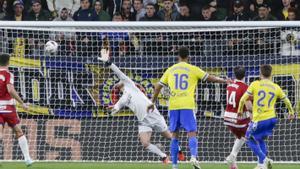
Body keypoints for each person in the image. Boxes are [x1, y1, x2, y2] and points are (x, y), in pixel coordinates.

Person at [148, 47, 231, 169]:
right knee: (192, 132)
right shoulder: (193, 69)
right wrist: (224, 81)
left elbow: (158, 87)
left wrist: (152, 101)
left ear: (178, 57)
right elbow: (210, 78)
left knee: (174, 135)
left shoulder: (170, 70)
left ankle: (175, 165)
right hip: (187, 104)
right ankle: (193, 157)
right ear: (188, 57)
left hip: (174, 105)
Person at [98, 49, 185, 164]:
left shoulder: (129, 83)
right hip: (143, 121)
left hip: (152, 114)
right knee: (145, 144)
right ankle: (164, 157)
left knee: (168, 136)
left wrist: (108, 63)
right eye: (116, 84)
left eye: (118, 82)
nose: (117, 83)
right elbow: (116, 108)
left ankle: (179, 151)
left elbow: (118, 72)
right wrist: (111, 110)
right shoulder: (123, 99)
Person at [238, 64, 295, 169]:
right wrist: (291, 112)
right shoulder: (276, 87)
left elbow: (242, 99)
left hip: (259, 118)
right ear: (271, 74)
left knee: (248, 138)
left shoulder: (255, 84)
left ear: (260, 74)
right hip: (272, 119)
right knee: (260, 139)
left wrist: (239, 110)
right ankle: (261, 165)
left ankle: (264, 159)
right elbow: (286, 100)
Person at [0, 53, 33, 166]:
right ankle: (27, 159)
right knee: (18, 131)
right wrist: (22, 103)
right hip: (8, 108)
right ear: (8, 62)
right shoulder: (8, 74)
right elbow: (10, 89)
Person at [224, 66, 252, 169]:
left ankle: (233, 165)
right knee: (248, 134)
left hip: (227, 118)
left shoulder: (230, 85)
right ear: (245, 75)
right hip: (238, 118)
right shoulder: (245, 87)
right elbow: (249, 106)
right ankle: (233, 156)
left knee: (239, 137)